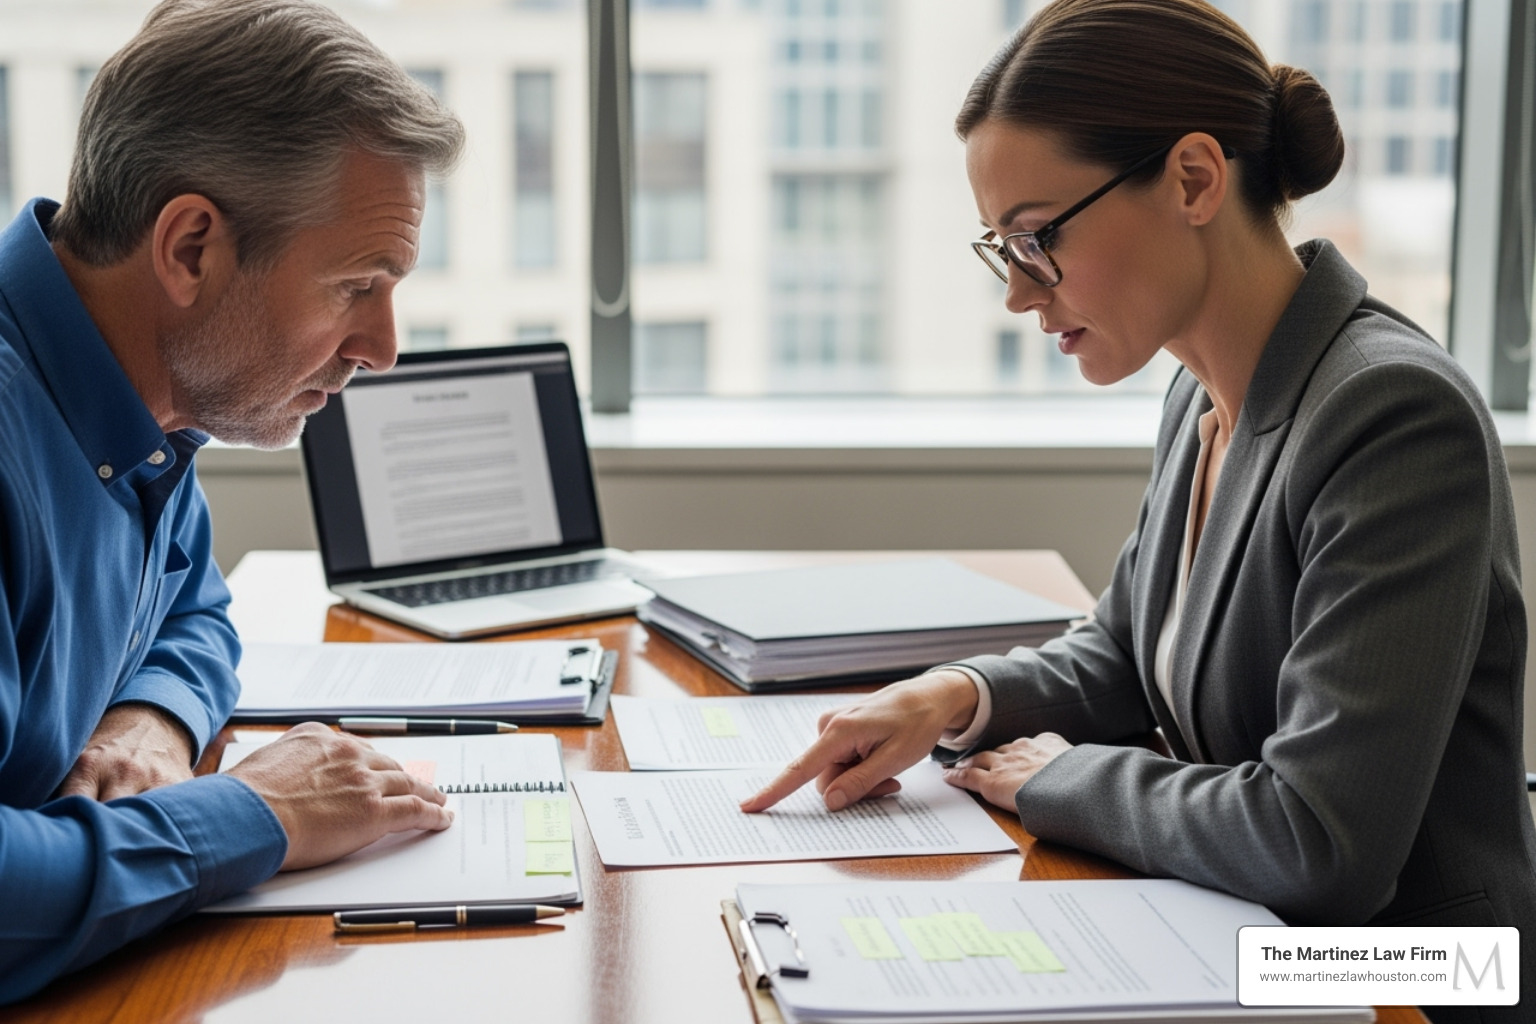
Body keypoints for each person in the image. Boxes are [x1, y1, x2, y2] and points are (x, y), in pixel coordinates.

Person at [741, 1, 1536, 1020]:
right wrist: (952, 695)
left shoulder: (1391, 413)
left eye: (1037, 239)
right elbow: (1126, 653)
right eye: (1002, 250)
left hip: (1408, 969)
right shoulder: (1202, 389)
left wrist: (1059, 781)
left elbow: (1319, 841)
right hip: (1246, 925)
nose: (1021, 297)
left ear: (1195, 179)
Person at [0, 0, 467, 1002]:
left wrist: (151, 721)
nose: (383, 347)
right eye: (356, 285)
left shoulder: (143, 394)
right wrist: (259, 812)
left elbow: (192, 607)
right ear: (191, 248)